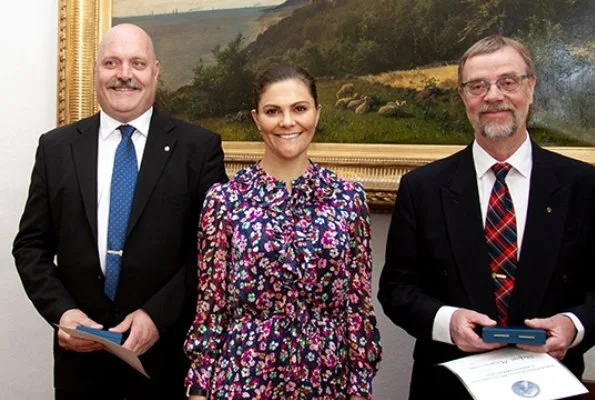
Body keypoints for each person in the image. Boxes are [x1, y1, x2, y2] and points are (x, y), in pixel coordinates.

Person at [12, 23, 227, 399]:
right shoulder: (56, 148)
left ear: (156, 70)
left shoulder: (199, 148)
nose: (124, 75)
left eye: (137, 63)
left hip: (165, 365)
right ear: (96, 70)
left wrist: (157, 316)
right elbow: (31, 246)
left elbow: (213, 254)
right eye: (111, 63)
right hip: (80, 370)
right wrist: (63, 313)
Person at [378, 35, 595, 399]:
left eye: (508, 81)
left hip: (552, 385)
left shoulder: (584, 185)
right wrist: (448, 323)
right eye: (478, 85)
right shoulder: (423, 188)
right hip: (448, 388)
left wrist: (573, 327)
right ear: (464, 96)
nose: (493, 95)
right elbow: (396, 290)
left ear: (531, 87)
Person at [183, 64, 382, 399]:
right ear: (256, 118)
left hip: (326, 380)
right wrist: (199, 388)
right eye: (273, 111)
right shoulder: (225, 201)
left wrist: (360, 386)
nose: (287, 122)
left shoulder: (348, 199)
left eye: (299, 109)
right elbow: (211, 306)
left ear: (317, 114)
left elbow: (358, 307)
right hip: (243, 380)